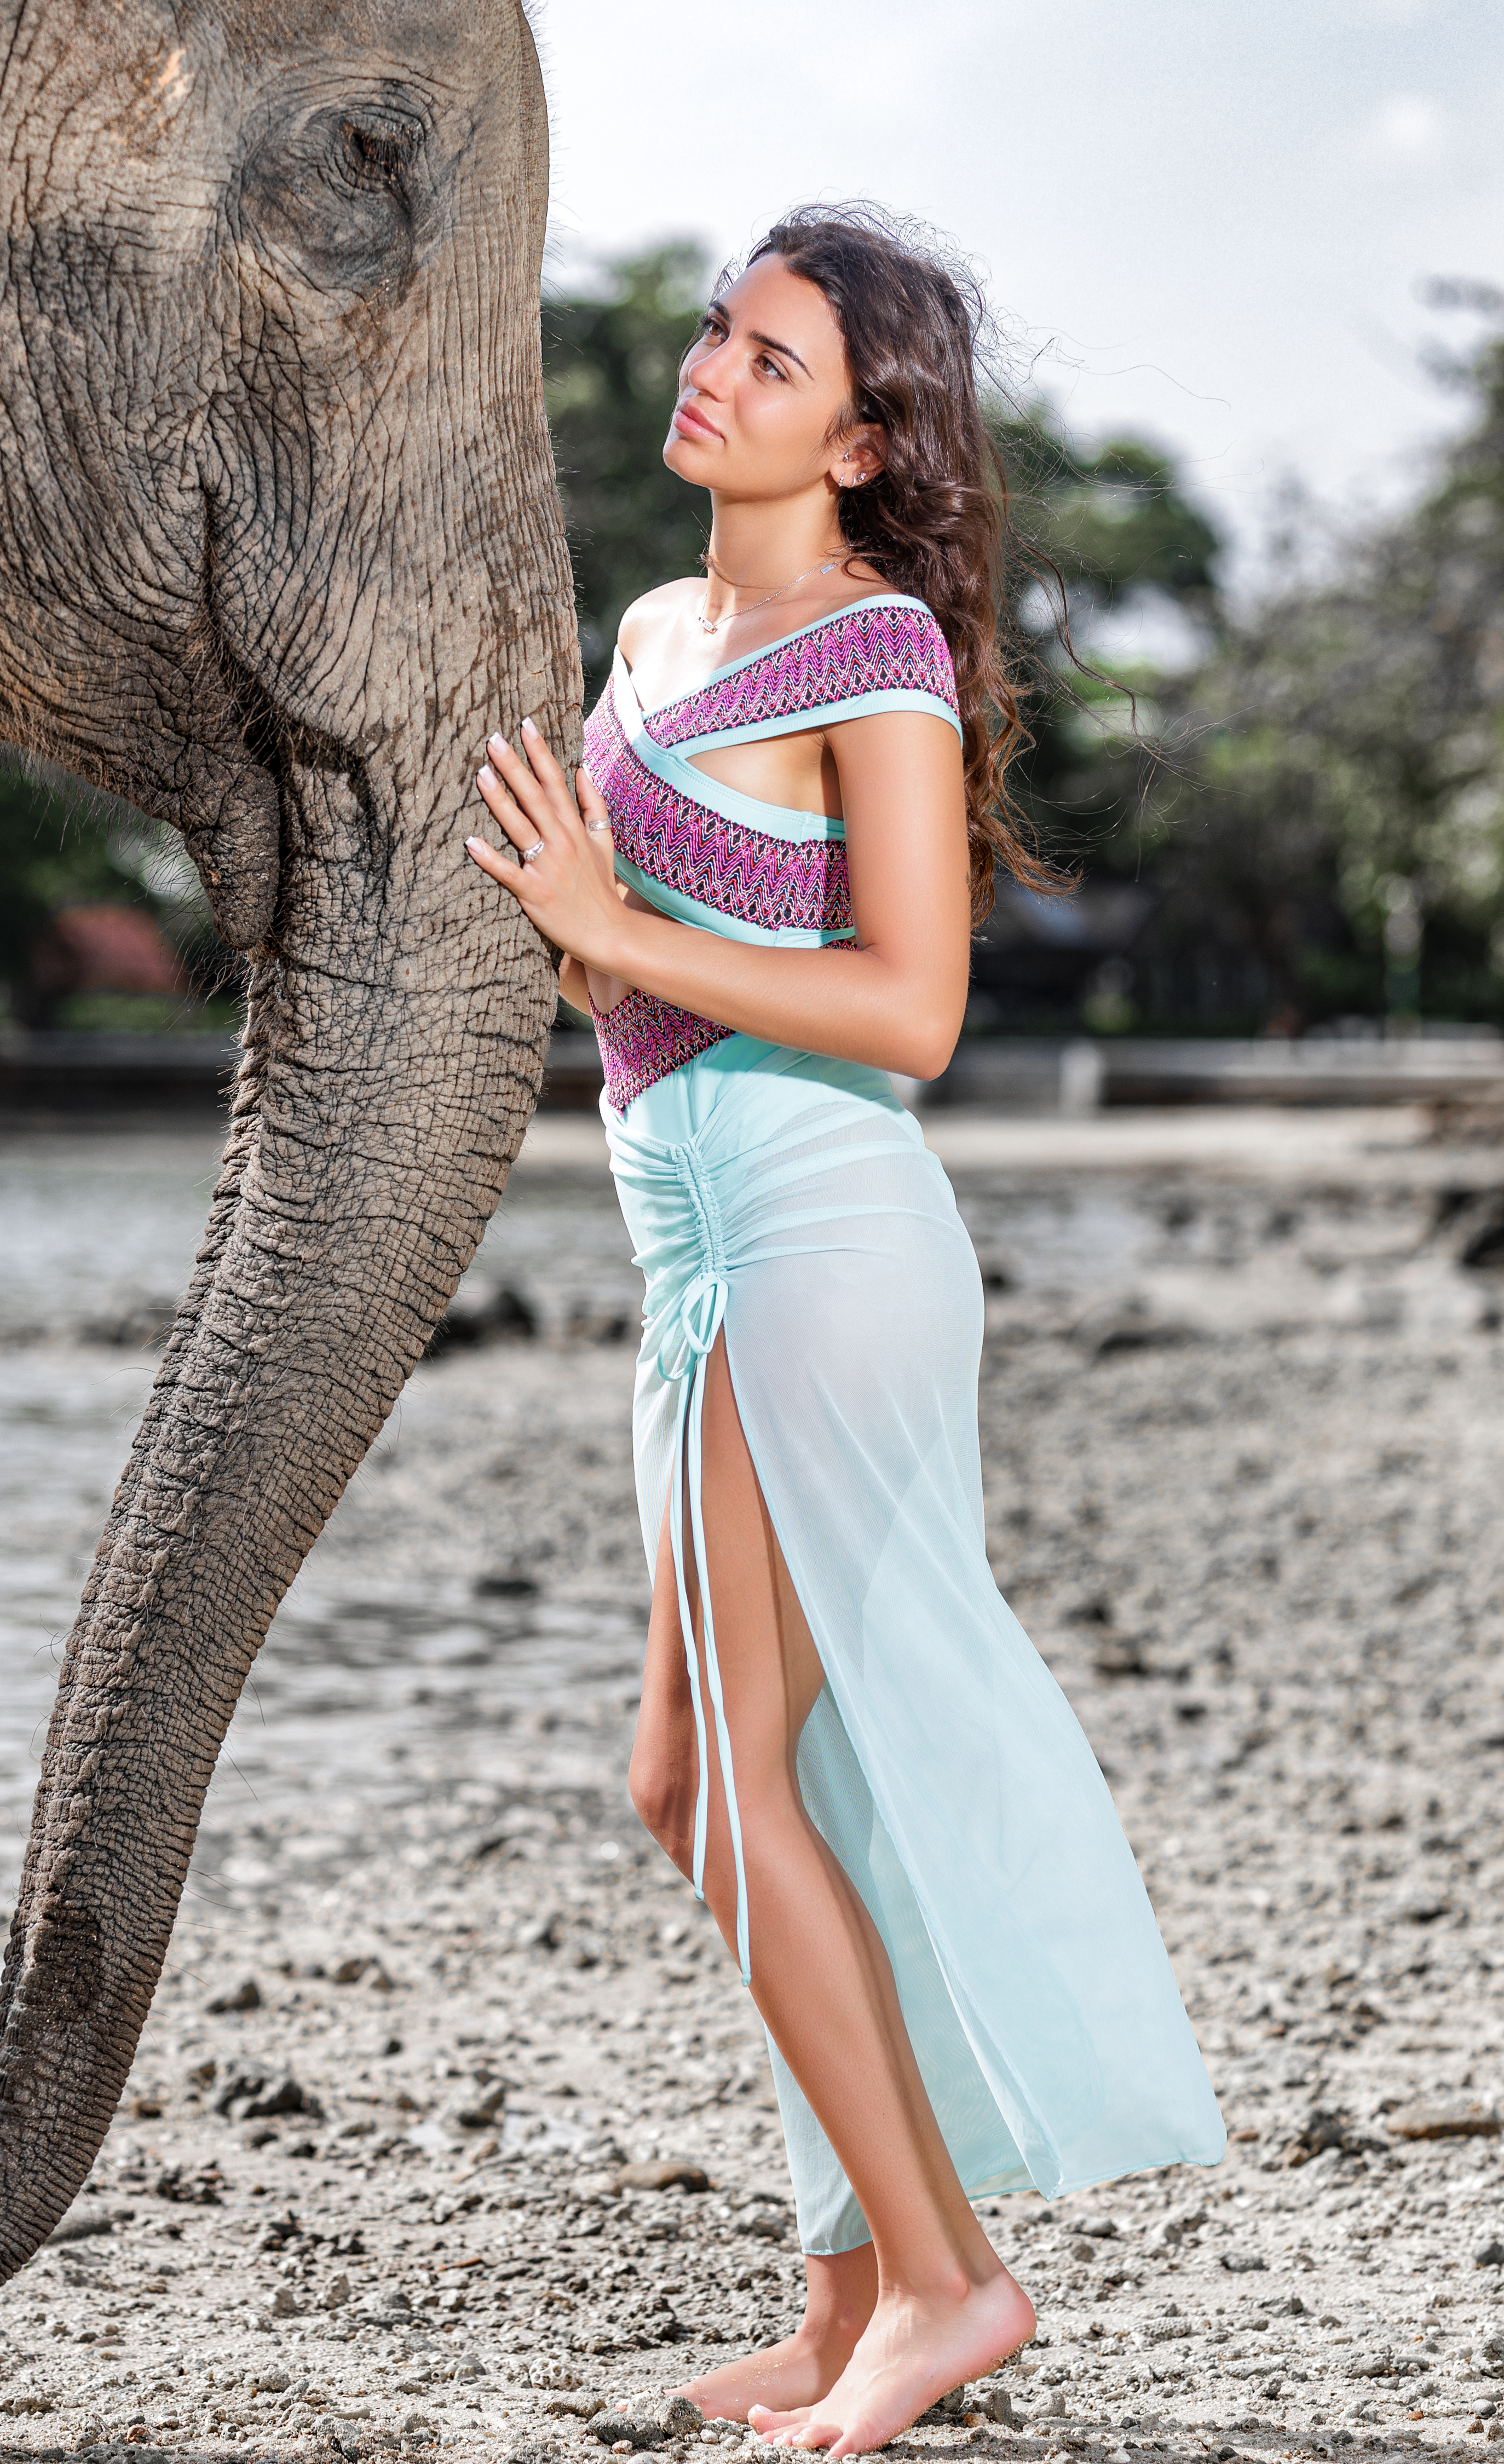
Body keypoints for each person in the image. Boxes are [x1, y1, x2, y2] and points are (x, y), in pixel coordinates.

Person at [466, 206, 1223, 2457]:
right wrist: (568, 931)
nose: (711, 369)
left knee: (752, 1778)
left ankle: (942, 2278)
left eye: (771, 357)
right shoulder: (647, 625)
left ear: (866, 432)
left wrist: (611, 922)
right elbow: (628, 980)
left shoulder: (872, 653)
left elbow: (907, 1006)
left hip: (817, 1218)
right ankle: (836, 2289)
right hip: (689, 1229)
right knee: (696, 1779)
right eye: (718, 328)